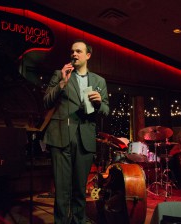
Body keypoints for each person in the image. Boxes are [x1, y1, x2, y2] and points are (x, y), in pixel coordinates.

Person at [43, 39, 109, 224]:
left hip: (85, 138)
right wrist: (62, 83)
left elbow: (106, 110)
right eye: (72, 51)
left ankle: (78, 221)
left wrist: (98, 103)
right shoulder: (60, 74)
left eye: (79, 51)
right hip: (60, 137)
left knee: (80, 189)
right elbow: (46, 101)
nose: (74, 54)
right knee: (62, 190)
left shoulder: (99, 81)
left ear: (88, 55)